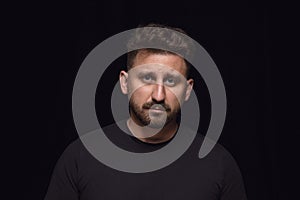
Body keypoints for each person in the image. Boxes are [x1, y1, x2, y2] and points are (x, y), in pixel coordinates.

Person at [44, 24, 247, 200]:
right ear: (124, 83)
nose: (158, 95)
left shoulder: (218, 164)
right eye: (147, 78)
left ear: (187, 90)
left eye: (170, 81)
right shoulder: (81, 157)